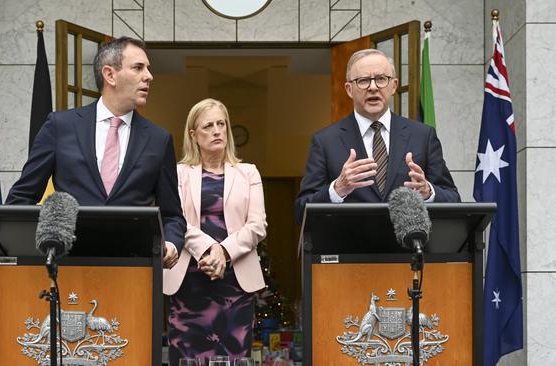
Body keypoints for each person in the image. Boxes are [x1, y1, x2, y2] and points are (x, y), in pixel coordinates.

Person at [6, 37, 185, 267]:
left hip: (134, 271)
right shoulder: (60, 126)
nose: (149, 76)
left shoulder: (159, 140)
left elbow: (172, 215)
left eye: (148, 69)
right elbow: (20, 199)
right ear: (110, 75)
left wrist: (171, 242)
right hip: (68, 267)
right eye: (138, 68)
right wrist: (39, 248)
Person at [295, 48, 460, 223]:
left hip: (407, 247)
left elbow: (453, 199)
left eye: (381, 79)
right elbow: (301, 211)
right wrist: (337, 189)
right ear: (349, 89)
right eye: (363, 80)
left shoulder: (422, 135)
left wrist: (428, 191)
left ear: (394, 86)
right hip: (350, 248)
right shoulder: (325, 141)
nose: (373, 87)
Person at [163, 98, 267, 364]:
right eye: (208, 126)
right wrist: (210, 250)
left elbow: (257, 225)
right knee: (187, 358)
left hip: (236, 284)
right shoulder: (178, 174)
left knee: (234, 357)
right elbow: (176, 220)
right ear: (193, 135)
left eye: (222, 124)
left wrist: (224, 252)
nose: (217, 130)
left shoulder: (248, 172)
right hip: (189, 283)